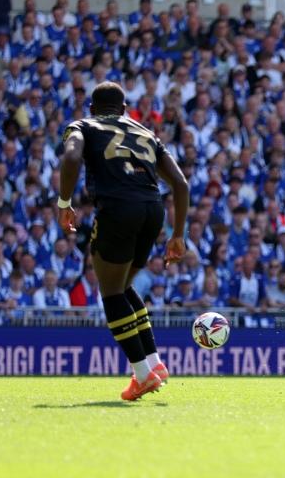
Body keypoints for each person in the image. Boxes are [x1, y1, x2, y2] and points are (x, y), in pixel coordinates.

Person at [58, 81, 189, 401]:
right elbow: (181, 184)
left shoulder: (83, 125)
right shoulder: (146, 132)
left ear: (92, 109)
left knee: (112, 291)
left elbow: (72, 157)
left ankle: (142, 374)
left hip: (118, 208)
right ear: (125, 110)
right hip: (153, 210)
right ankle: (155, 364)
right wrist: (178, 235)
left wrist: (64, 203)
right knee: (125, 285)